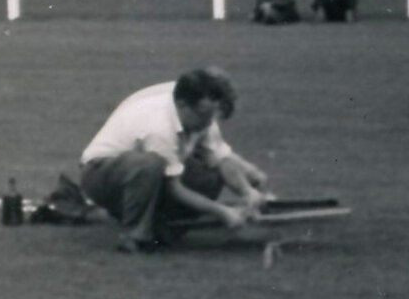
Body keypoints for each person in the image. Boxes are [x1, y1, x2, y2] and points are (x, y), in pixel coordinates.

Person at [78, 67, 268, 253]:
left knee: (209, 176)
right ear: (183, 105)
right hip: (99, 174)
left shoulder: (200, 109)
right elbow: (174, 188)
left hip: (144, 172)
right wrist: (223, 212)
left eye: (211, 116)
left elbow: (221, 158)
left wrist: (247, 191)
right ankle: (135, 236)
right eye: (203, 116)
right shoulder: (159, 127)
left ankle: (162, 226)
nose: (208, 123)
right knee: (150, 165)